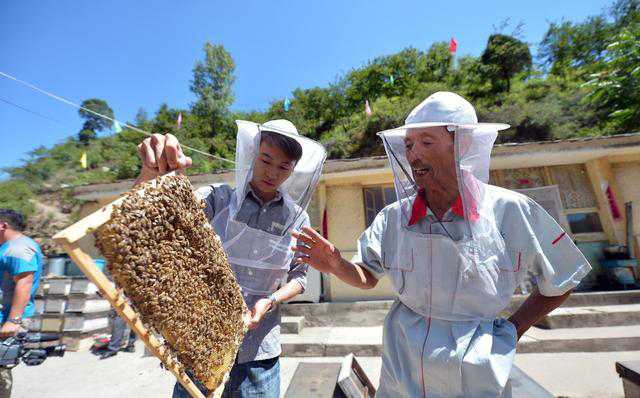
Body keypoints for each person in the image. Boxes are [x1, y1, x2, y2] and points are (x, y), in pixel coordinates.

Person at [292, 92, 591, 398]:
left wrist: (515, 327)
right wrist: (336, 265)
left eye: (426, 142)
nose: (413, 155)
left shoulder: (511, 209)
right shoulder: (393, 217)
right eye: (408, 145)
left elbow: (564, 274)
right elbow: (368, 275)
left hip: (477, 370)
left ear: (461, 143)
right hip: (403, 365)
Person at [135, 119, 326, 398]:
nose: (272, 172)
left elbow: (300, 277)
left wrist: (271, 300)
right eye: (266, 160)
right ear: (252, 154)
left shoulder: (297, 218)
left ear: (293, 170)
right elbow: (156, 218)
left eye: (283, 167)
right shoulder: (218, 199)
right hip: (202, 347)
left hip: (260, 355)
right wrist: (152, 172)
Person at [0, 209, 43, 398]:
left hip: (6, 320)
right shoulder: (9, 247)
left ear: (3, 225)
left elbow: (24, 283)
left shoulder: (18, 248)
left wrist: (14, 320)